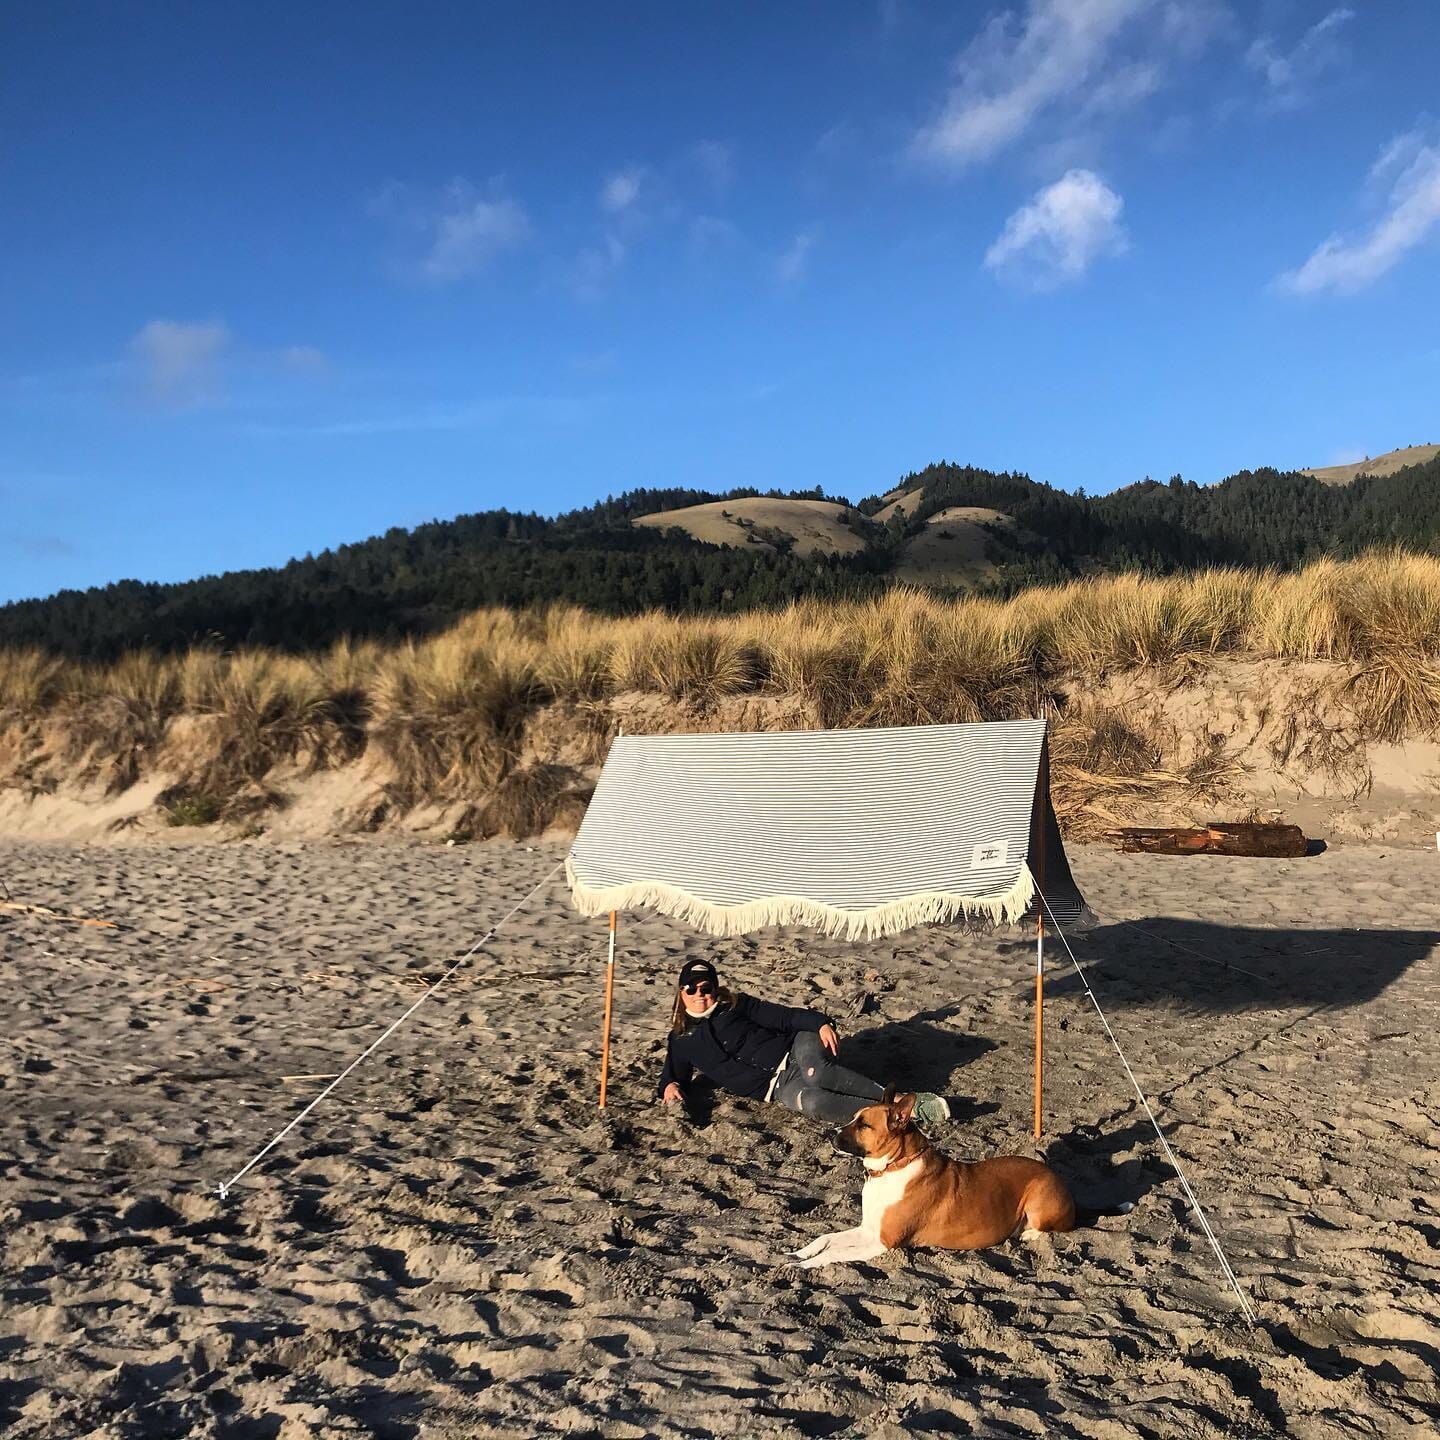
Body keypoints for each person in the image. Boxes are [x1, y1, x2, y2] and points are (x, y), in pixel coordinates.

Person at [657, 959, 950, 1127]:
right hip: (776, 1088)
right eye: (691, 988)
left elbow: (784, 1017)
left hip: (796, 1048)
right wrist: (669, 1085)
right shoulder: (681, 1038)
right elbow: (673, 1075)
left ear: (715, 987)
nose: (699, 994)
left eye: (706, 987)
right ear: (681, 992)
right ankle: (884, 1115)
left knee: (817, 1074)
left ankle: (903, 1102)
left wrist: (819, 1023)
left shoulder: (736, 1005)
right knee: (812, 1101)